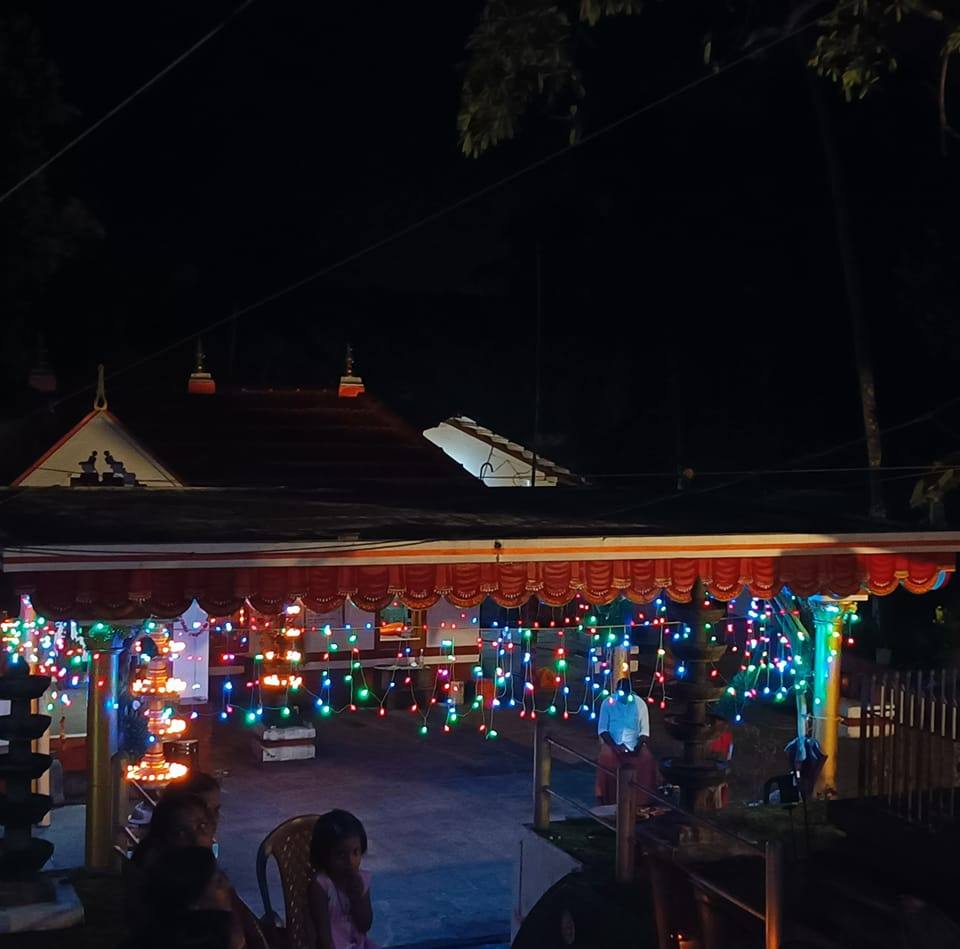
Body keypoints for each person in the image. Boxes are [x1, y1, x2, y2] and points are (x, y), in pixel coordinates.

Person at [137, 846, 245, 949]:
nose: (228, 884)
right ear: (194, 902)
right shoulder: (225, 937)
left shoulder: (154, 932)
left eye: (223, 875)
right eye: (219, 883)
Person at [308, 809, 379, 949]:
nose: (350, 861)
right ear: (325, 856)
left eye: (355, 852)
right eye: (341, 854)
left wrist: (357, 897)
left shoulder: (361, 880)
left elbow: (365, 925)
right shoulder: (321, 885)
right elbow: (323, 937)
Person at [596, 677, 659, 806]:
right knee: (606, 757)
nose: (623, 697)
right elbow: (603, 730)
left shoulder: (640, 704)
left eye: (627, 695)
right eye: (620, 694)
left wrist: (638, 747)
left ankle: (643, 799)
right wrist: (615, 746)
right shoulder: (607, 703)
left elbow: (644, 732)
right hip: (613, 742)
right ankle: (604, 796)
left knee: (647, 758)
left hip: (634, 743)